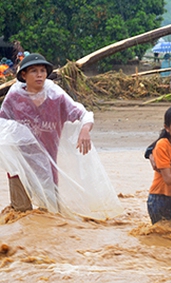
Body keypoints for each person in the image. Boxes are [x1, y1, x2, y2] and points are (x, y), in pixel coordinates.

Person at [0, 53, 122, 219]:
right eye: (34, 71)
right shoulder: (15, 97)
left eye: (42, 71)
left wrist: (85, 130)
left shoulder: (56, 97)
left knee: (49, 214)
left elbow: (83, 114)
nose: (39, 75)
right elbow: (2, 124)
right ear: (24, 75)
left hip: (48, 165)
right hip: (20, 166)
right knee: (21, 214)